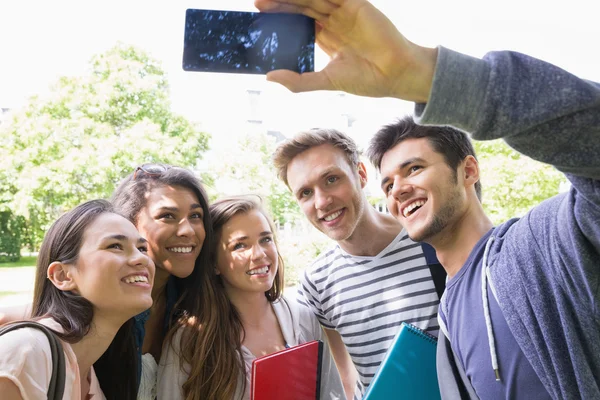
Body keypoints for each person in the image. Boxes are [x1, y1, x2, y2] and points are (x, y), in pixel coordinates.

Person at [255, 0, 600, 398]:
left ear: (468, 170)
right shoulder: (451, 312)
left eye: (414, 169)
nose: (397, 189)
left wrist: (423, 75)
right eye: (389, 184)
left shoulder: (540, 245)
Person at [0, 163, 214, 399]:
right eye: (167, 216)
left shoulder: (89, 381)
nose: (188, 230)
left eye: (196, 216)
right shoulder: (28, 351)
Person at [272, 127, 445, 399]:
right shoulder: (316, 282)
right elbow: (343, 377)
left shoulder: (432, 243)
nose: (322, 202)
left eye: (331, 179)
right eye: (305, 193)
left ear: (361, 174)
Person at [157, 195, 344, 400]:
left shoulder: (303, 319)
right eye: (240, 246)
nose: (259, 254)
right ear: (213, 263)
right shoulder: (188, 339)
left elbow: (332, 394)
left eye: (265, 239)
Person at [0, 199, 155, 400]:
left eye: (142, 248)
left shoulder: (91, 377)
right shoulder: (26, 354)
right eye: (115, 246)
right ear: (63, 276)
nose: (142, 258)